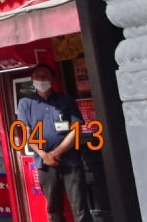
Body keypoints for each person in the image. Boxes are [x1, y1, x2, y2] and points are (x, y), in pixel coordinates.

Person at [15, 64, 92, 222]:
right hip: (44, 164)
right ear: (32, 79)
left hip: (71, 161)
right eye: (37, 76)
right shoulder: (25, 103)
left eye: (44, 75)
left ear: (53, 79)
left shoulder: (66, 101)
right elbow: (27, 135)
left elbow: (76, 131)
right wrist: (44, 155)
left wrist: (56, 152)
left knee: (80, 207)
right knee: (53, 209)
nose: (40, 78)